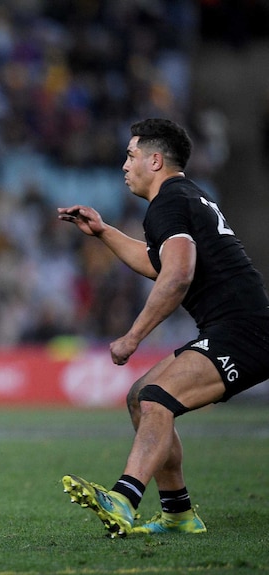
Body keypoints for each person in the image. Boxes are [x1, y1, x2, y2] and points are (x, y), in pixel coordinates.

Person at [57, 118, 269, 538]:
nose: (124, 165)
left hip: (244, 331)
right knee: (141, 398)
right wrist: (103, 232)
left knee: (156, 399)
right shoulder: (185, 198)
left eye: (132, 155)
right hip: (234, 326)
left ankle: (123, 496)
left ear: (156, 161)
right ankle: (178, 514)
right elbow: (160, 263)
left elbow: (178, 274)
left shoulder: (168, 201)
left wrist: (133, 336)